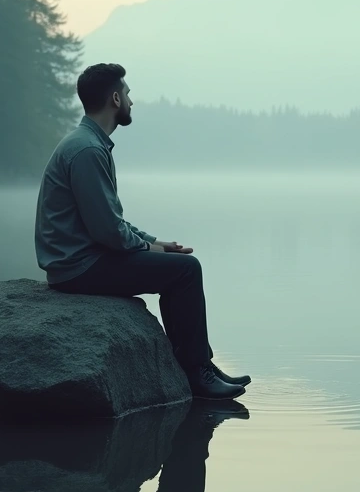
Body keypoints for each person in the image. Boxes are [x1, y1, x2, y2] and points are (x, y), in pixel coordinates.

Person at [34, 62, 248, 400]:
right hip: (79, 268)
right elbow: (107, 231)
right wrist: (151, 251)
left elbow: (110, 220)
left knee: (178, 266)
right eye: (129, 95)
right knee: (185, 271)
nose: (132, 102)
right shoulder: (88, 150)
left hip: (80, 261)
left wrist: (152, 242)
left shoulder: (88, 143)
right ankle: (197, 372)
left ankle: (198, 364)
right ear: (115, 99)